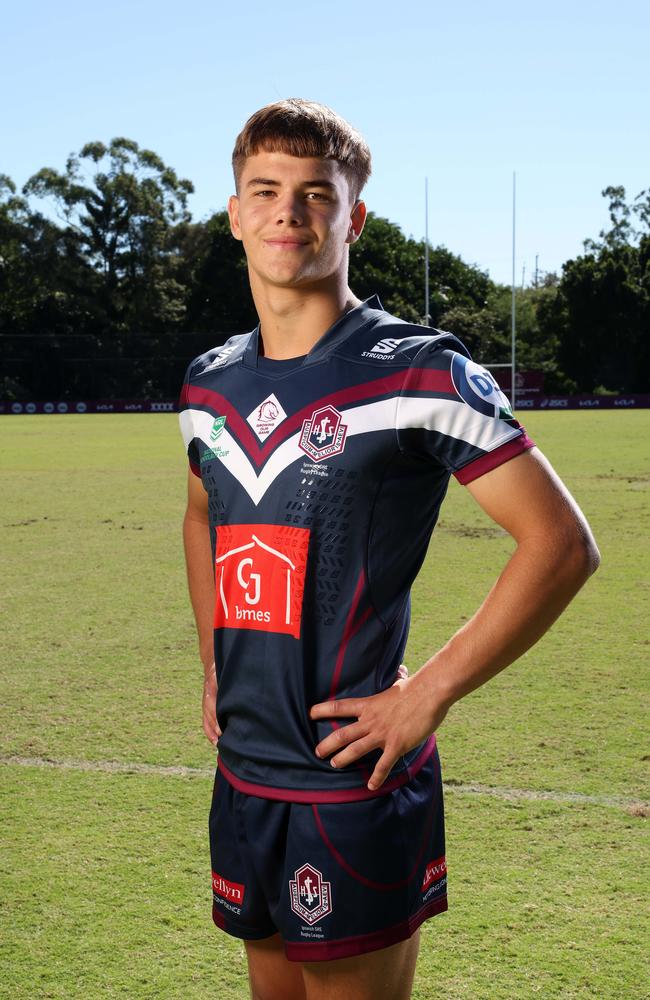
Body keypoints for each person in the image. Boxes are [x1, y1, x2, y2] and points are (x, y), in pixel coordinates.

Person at [179, 99, 599, 1000]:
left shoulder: (416, 370)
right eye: (265, 190)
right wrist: (212, 654)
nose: (289, 211)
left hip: (352, 781)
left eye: (316, 194)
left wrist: (428, 692)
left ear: (354, 218)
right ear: (236, 214)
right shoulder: (207, 383)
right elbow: (201, 513)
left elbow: (560, 544)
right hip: (246, 770)